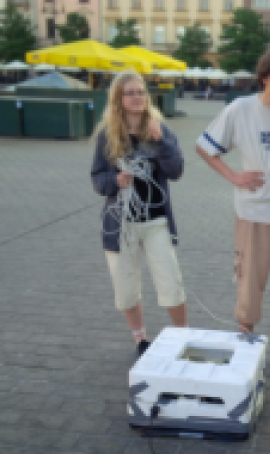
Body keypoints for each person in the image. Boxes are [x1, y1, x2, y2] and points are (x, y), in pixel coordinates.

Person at [196, 44, 270, 378]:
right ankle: (245, 344)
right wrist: (233, 176)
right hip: (252, 213)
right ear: (264, 77)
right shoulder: (241, 109)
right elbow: (204, 147)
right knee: (249, 283)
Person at [91, 70, 187, 356]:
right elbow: (97, 178)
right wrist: (115, 181)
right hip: (121, 224)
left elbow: (176, 170)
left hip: (156, 220)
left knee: (170, 283)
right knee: (126, 287)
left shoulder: (159, 129)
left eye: (141, 92)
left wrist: (161, 142)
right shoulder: (108, 135)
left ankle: (182, 337)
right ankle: (140, 340)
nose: (137, 97)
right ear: (118, 99)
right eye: (130, 93)